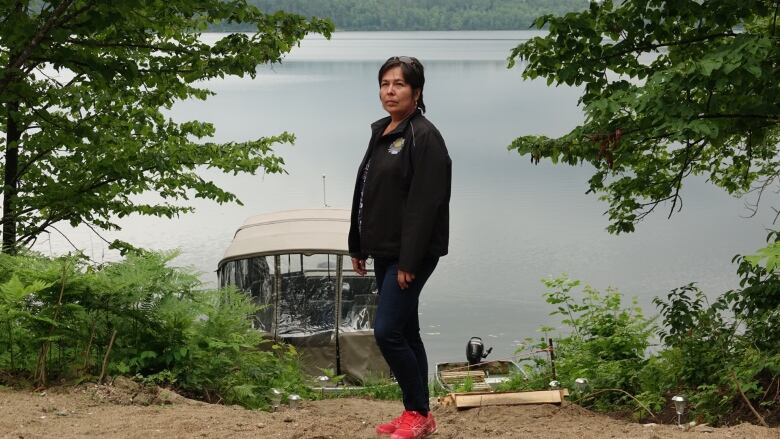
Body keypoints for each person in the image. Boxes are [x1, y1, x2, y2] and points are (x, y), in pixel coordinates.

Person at [348, 56, 451, 439]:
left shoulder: (424, 137)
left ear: (417, 91)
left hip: (413, 254)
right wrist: (358, 244)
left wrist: (409, 260)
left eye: (399, 84)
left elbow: (425, 204)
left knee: (387, 331)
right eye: (385, 84)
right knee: (407, 333)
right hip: (386, 249)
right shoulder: (384, 131)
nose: (390, 91)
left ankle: (418, 412)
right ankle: (418, 413)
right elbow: (367, 194)